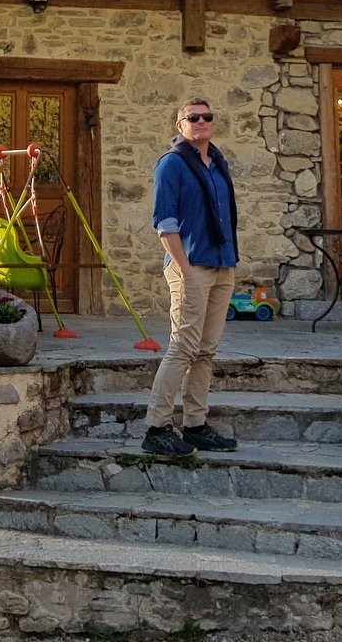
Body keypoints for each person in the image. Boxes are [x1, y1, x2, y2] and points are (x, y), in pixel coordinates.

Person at [141, 97, 240, 456]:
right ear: (179, 126)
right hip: (191, 267)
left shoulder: (217, 164)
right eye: (192, 117)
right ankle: (156, 427)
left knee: (206, 351)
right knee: (183, 348)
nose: (201, 122)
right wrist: (185, 271)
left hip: (221, 265)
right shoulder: (172, 165)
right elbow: (165, 224)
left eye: (206, 117)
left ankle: (195, 424)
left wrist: (228, 263)